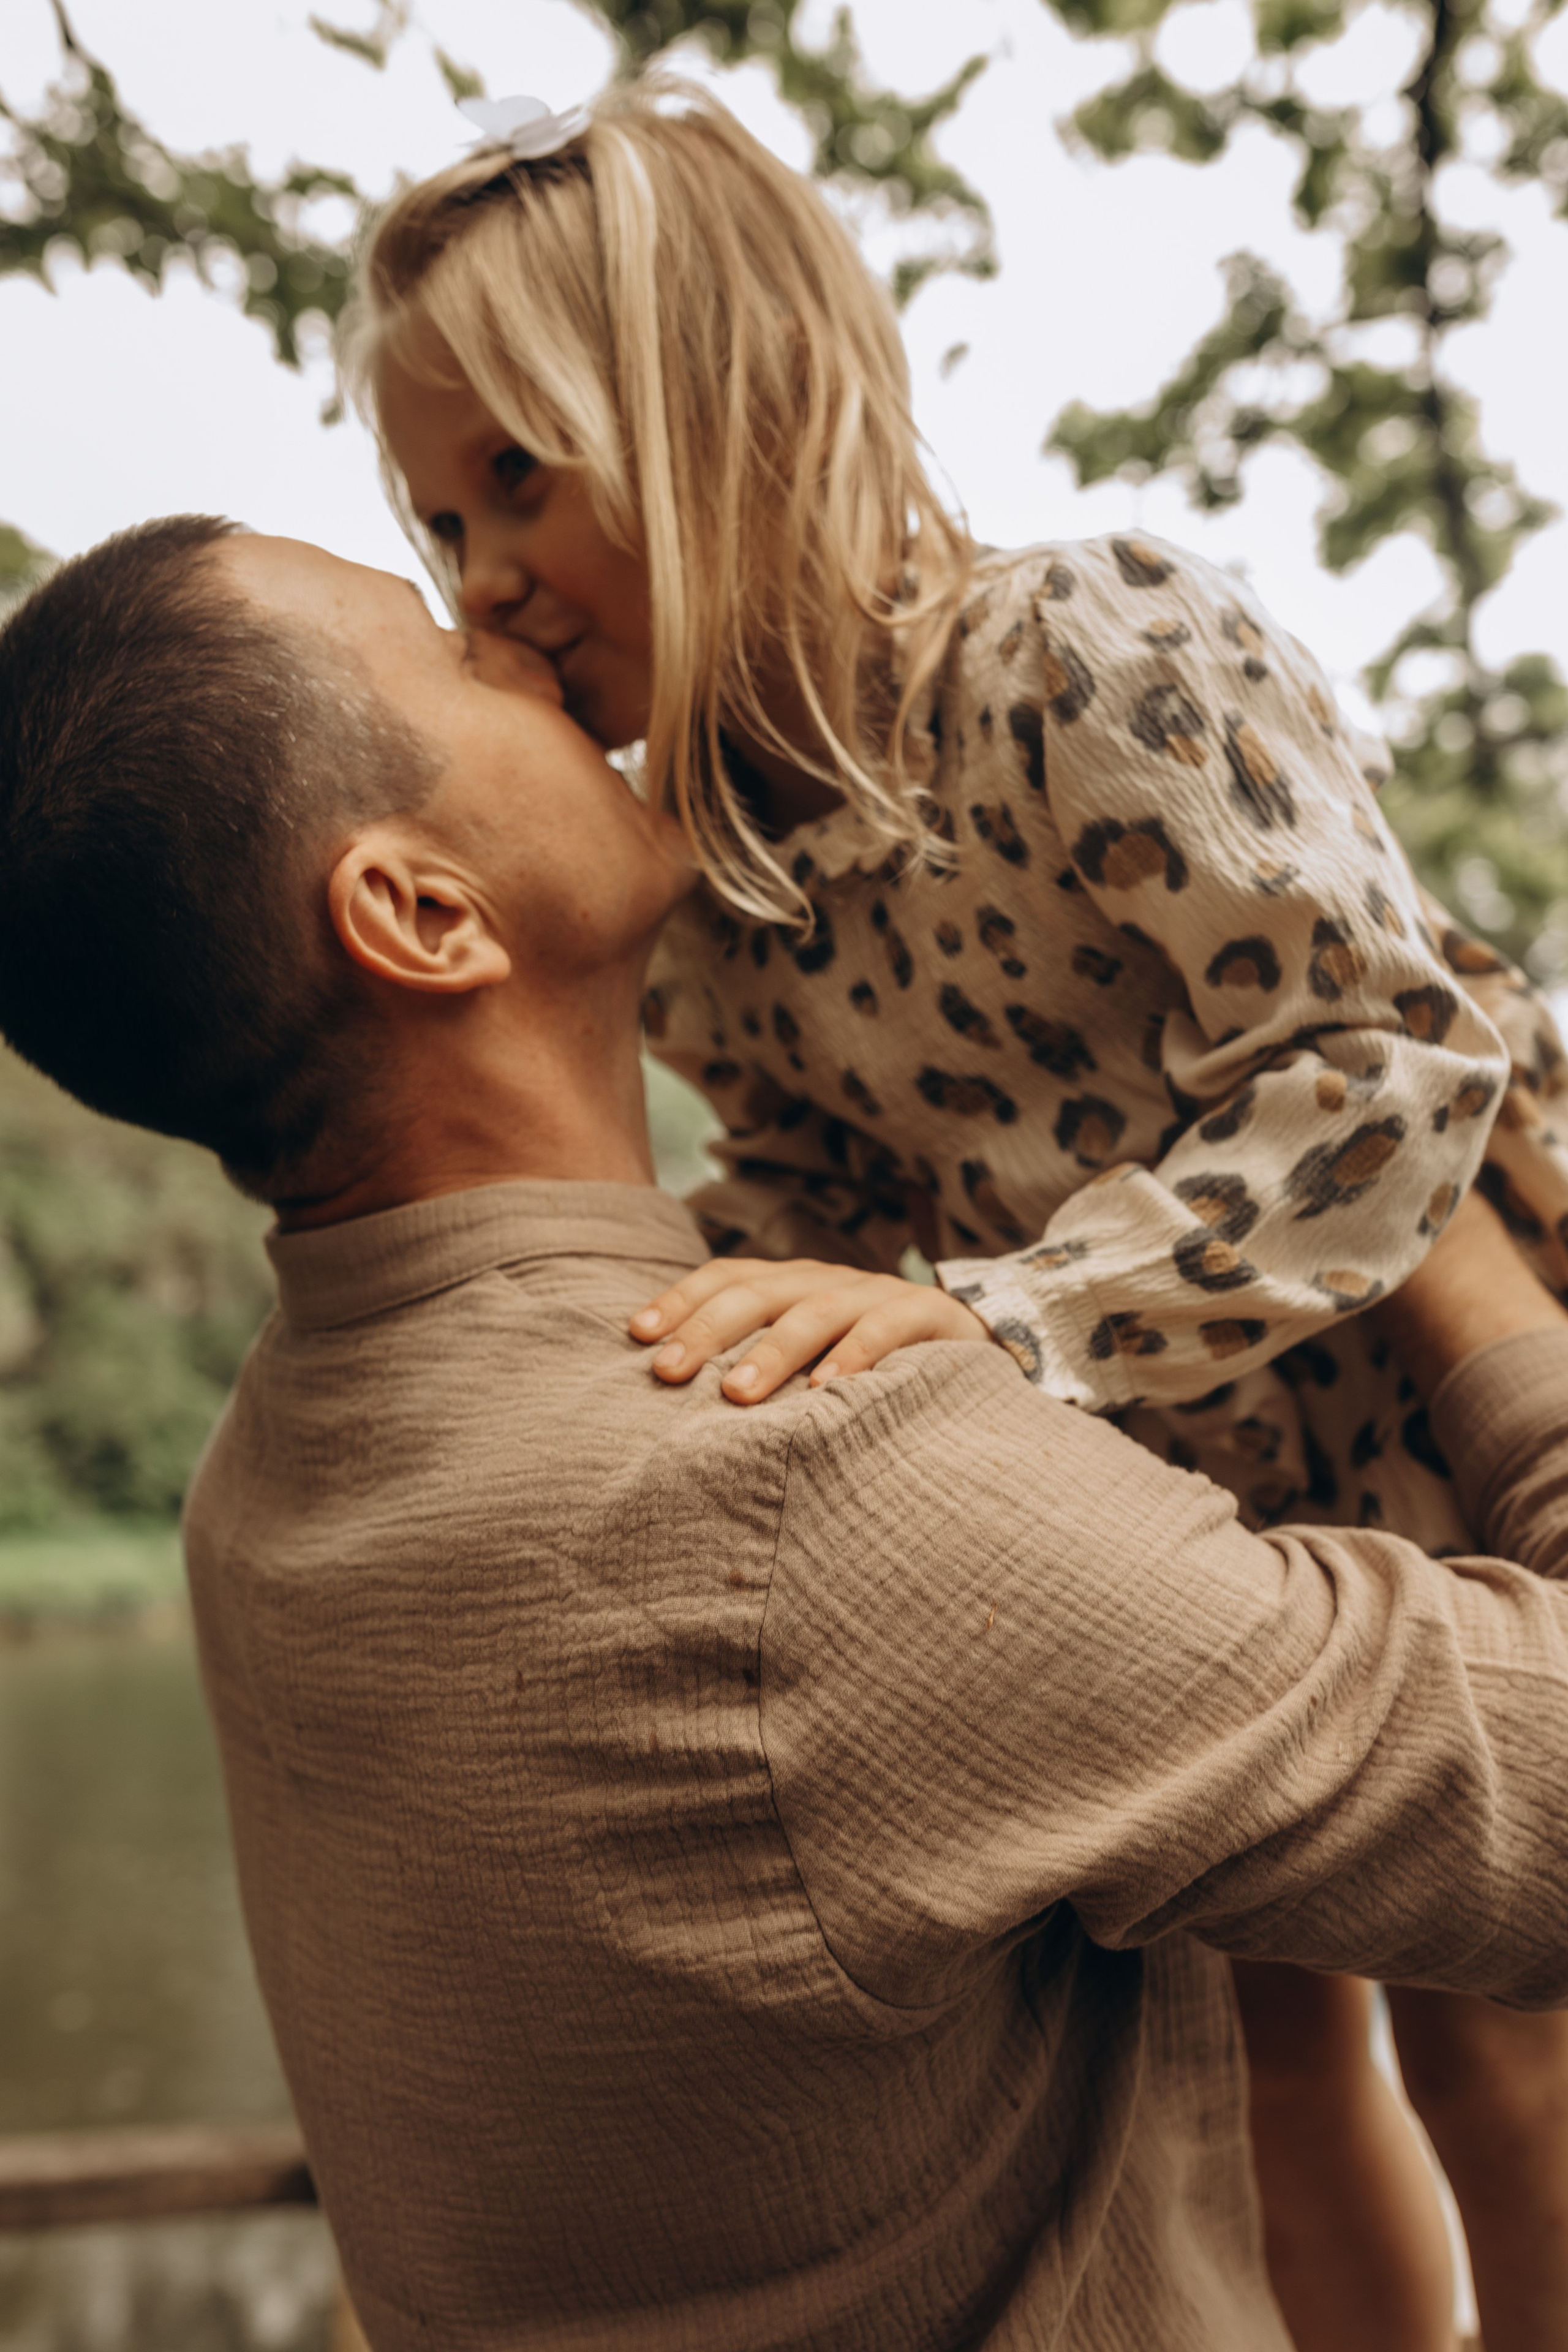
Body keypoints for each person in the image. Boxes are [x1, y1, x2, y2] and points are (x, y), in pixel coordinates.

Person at [4, 518, 1568, 2352]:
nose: (506, 633)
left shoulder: (264, 1479)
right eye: (437, 638)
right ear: (423, 914)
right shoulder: (797, 1481)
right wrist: (1453, 1242)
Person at [343, 80, 1568, 2350]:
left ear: (733, 399)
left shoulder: (1083, 654)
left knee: (1503, 2033)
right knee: (1271, 2034)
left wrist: (1015, 1326)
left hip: (1421, 1368)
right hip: (1167, 1491)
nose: (481, 572)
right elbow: (817, 1189)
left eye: (522, 473)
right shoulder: (704, 882)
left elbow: (1388, 1077)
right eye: (433, 522)